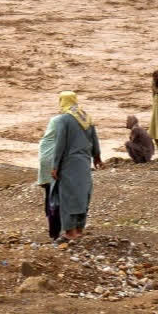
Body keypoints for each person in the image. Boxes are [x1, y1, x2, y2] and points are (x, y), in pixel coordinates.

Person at [51, 91, 101, 240]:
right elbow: (95, 139)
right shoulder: (86, 117)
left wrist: (55, 166)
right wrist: (97, 157)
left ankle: (70, 232)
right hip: (84, 163)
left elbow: (59, 145)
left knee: (67, 197)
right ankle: (79, 229)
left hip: (69, 163)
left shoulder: (63, 120)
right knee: (82, 195)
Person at [37, 112, 65, 240]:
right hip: (54, 172)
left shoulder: (45, 141)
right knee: (56, 201)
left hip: (46, 175)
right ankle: (56, 232)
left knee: (49, 199)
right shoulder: (58, 143)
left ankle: (53, 232)